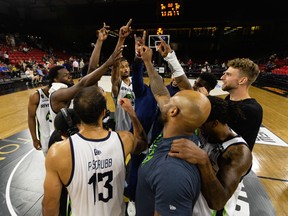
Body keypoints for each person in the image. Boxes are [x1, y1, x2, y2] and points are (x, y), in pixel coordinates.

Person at [42, 85, 147, 216]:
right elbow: (143, 144)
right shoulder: (124, 139)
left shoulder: (58, 152)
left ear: (76, 114)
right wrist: (132, 114)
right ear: (104, 112)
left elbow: (50, 207)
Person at [135, 45, 211, 215]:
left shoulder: (172, 172)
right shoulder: (184, 134)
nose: (166, 98)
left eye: (173, 99)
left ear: (173, 111)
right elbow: (160, 93)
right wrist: (147, 62)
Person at [169, 95, 253, 216]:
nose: (197, 123)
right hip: (192, 201)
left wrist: (203, 161)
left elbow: (218, 202)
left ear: (214, 123)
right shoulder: (207, 130)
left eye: (201, 121)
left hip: (210, 212)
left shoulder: (238, 153)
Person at [48, 29, 123, 134]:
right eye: (65, 75)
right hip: (63, 140)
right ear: (55, 79)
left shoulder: (69, 91)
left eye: (69, 74)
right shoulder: (57, 94)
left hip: (77, 137)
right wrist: (107, 63)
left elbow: (92, 68)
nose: (69, 77)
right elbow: (83, 83)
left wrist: (99, 41)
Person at [220, 58, 263, 150]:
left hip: (232, 162)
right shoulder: (228, 99)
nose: (222, 78)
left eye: (228, 74)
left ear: (242, 80)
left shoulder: (251, 109)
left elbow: (221, 135)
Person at [111, 19, 135, 131]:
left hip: (135, 129)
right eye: (122, 67)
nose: (125, 69)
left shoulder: (135, 84)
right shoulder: (117, 84)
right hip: (121, 132)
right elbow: (115, 63)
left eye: (127, 66)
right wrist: (121, 39)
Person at [27, 85, 50, 155]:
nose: (69, 77)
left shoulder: (64, 92)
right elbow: (31, 117)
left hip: (62, 134)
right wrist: (34, 139)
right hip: (46, 137)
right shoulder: (36, 96)